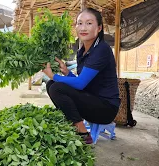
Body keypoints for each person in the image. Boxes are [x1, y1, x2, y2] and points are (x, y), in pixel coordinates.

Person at [42, 8, 120, 144]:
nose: (83, 28)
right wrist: (67, 72)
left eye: (89, 23)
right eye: (79, 23)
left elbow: (80, 84)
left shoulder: (101, 49)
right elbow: (83, 82)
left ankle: (82, 132)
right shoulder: (82, 51)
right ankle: (73, 123)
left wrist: (53, 75)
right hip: (91, 99)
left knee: (56, 86)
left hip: (106, 108)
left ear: (99, 28)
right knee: (51, 85)